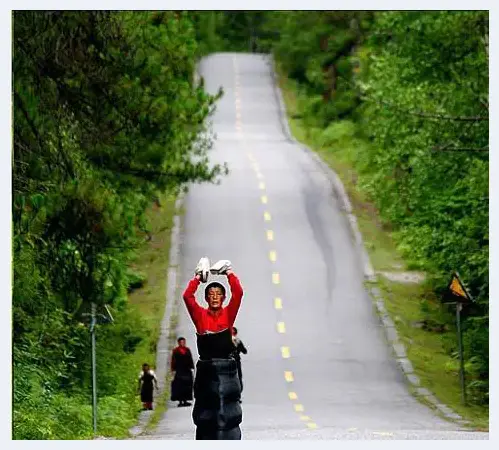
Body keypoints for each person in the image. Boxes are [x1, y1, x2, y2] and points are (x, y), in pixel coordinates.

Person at [182, 257, 244, 440]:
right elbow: (187, 296)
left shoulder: (228, 314)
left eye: (218, 294)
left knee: (229, 409)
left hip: (226, 370)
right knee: (206, 411)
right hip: (207, 370)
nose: (215, 297)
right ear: (206, 298)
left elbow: (238, 293)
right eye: (211, 294)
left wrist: (228, 273)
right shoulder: (200, 316)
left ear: (224, 298)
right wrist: (198, 279)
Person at [171, 337, 195, 407]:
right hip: (179, 371)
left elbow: (190, 359)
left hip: (187, 371)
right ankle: (180, 401)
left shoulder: (187, 350)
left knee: (187, 386)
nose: (182, 343)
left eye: (183, 342)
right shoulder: (175, 351)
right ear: (178, 343)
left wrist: (192, 367)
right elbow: (173, 361)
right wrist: (173, 370)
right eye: (181, 342)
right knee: (180, 386)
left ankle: (186, 400)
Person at [231, 327, 247, 395]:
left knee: (238, 377)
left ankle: (237, 393)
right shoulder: (226, 341)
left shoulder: (238, 341)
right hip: (229, 361)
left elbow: (244, 351)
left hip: (235, 361)